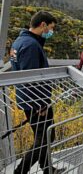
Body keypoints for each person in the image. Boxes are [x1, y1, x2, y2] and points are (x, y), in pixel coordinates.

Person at [10, 11, 65, 174]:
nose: (51, 32)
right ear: (43, 25)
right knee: (46, 137)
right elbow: (31, 77)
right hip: (36, 102)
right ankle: (20, 171)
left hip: (26, 99)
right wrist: (41, 103)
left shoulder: (19, 42)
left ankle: (47, 168)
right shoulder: (31, 45)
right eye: (51, 28)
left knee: (43, 136)